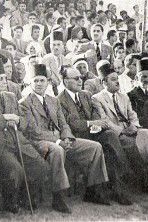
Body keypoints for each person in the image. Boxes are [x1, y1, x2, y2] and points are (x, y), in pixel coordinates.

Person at [19, 64, 110, 214]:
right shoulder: (24, 103)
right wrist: (58, 140)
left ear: (48, 82)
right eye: (35, 81)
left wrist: (67, 137)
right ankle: (58, 197)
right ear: (30, 83)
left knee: (95, 147)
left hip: (61, 139)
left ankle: (93, 191)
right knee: (57, 150)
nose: (39, 84)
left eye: (42, 80)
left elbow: (63, 123)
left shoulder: (53, 100)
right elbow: (34, 131)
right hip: (39, 143)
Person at [0, 59, 46, 213]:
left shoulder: (11, 96)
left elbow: (24, 121)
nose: (4, 81)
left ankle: (26, 198)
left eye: (4, 78)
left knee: (41, 166)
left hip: (17, 141)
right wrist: (4, 118)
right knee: (15, 170)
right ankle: (11, 202)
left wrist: (17, 121)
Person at [58, 66, 132, 205]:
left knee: (110, 136)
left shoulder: (85, 94)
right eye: (76, 78)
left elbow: (94, 113)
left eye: (80, 77)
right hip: (76, 137)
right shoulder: (60, 100)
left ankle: (116, 189)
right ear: (65, 82)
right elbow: (71, 124)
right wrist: (92, 122)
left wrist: (96, 124)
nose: (80, 80)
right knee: (105, 150)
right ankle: (99, 191)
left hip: (92, 133)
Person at [91, 63, 148, 192]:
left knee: (146, 135)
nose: (117, 82)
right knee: (131, 144)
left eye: (117, 78)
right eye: (113, 79)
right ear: (103, 82)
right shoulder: (97, 98)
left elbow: (132, 114)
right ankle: (141, 180)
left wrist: (134, 126)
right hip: (116, 132)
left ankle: (144, 178)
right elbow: (104, 120)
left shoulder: (123, 96)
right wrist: (122, 131)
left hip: (130, 129)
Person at [128, 58, 148, 128]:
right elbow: (136, 119)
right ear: (136, 78)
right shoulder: (130, 96)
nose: (147, 80)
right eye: (144, 77)